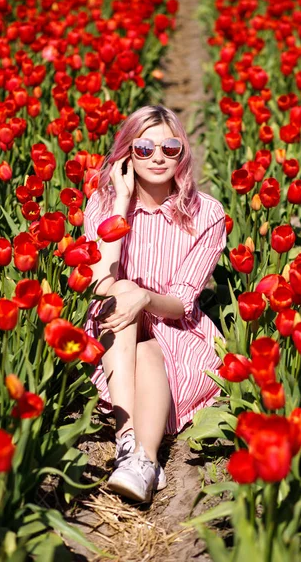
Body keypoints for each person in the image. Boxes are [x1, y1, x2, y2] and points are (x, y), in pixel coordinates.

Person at [84, 105, 227, 503]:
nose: (159, 156)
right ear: (127, 153)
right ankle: (132, 446)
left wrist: (145, 297)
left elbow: (181, 302)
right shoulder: (102, 204)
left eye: (170, 147)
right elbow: (99, 284)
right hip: (115, 325)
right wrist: (121, 204)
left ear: (183, 152)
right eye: (144, 148)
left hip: (174, 329)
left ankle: (140, 461)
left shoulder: (206, 213)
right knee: (121, 294)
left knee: (148, 340)